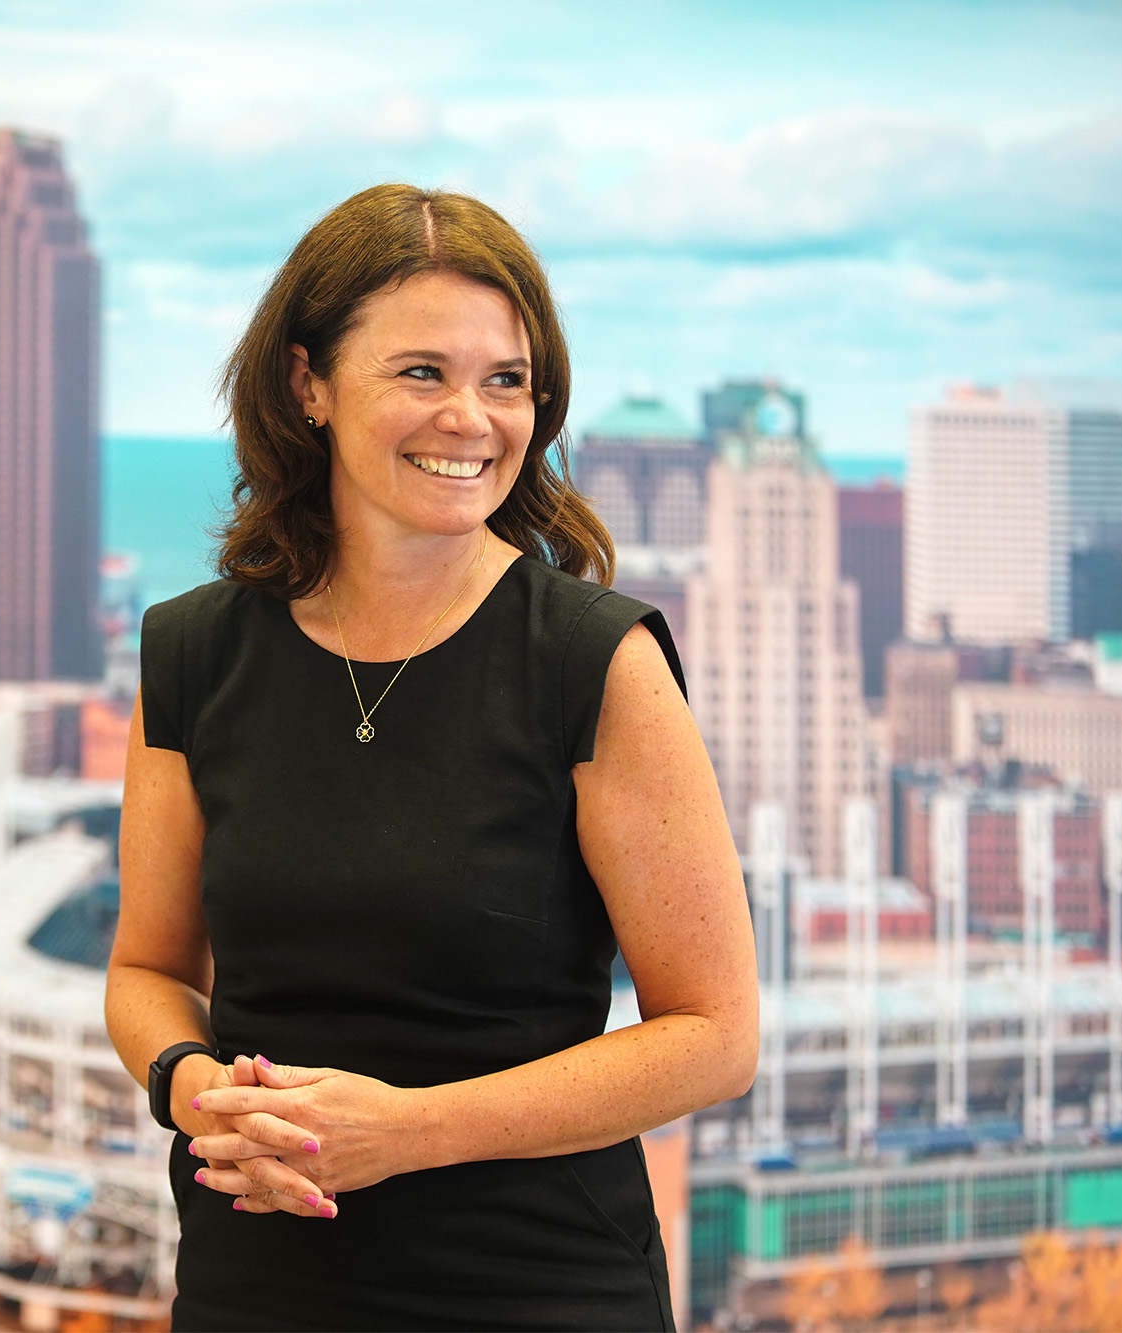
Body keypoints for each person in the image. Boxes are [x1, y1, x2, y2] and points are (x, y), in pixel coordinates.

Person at [105, 184, 758, 1332]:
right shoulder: (192, 651)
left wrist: (404, 1132)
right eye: (421, 372)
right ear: (307, 382)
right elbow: (147, 971)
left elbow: (712, 1037)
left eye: (505, 379)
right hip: (253, 1281)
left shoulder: (592, 661)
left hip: (533, 1287)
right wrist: (187, 1084)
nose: (471, 417)